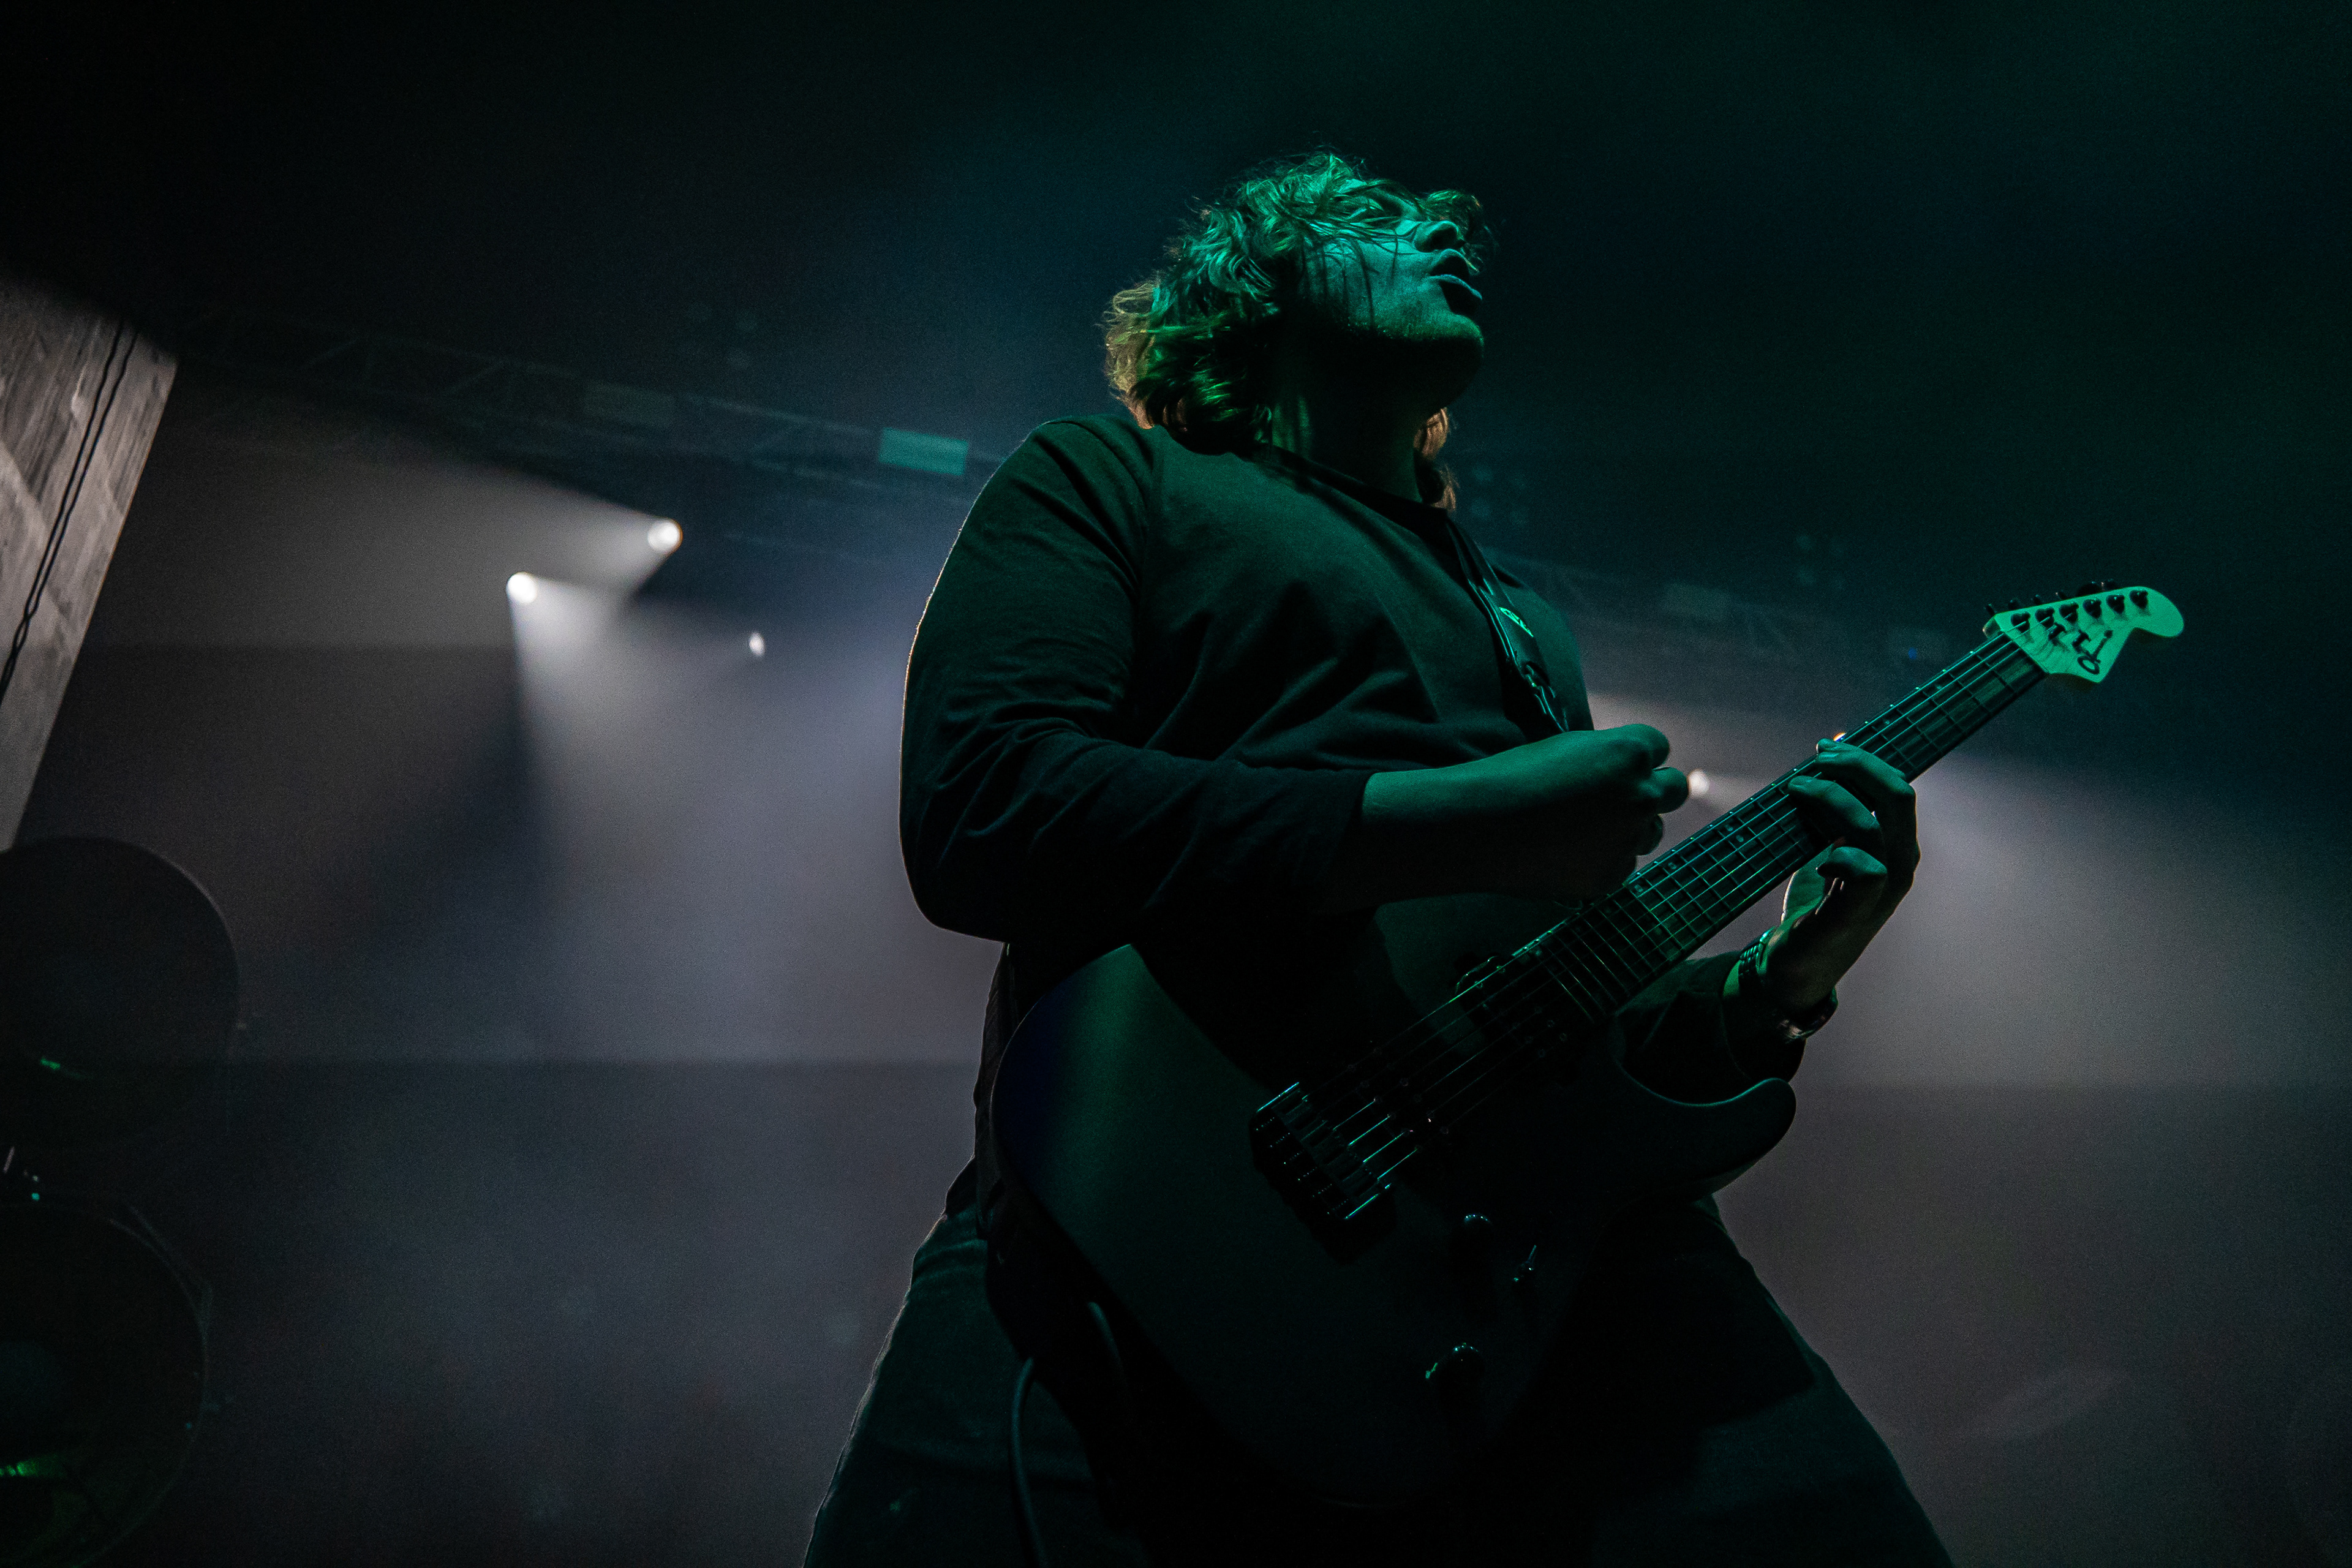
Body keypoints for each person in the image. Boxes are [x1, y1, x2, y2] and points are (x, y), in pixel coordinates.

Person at [805, 151, 1949, 1567]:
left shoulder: (1524, 621)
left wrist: (1777, 979)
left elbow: (1560, 1018)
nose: (1447, 235)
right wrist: (1446, 819)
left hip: (1530, 1277)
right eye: (1382, 224)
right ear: (1252, 291)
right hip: (1142, 1233)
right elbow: (982, 807)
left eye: (1448, 229)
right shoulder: (1109, 480)